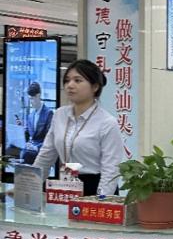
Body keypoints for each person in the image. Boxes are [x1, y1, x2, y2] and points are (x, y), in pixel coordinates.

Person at [34, 60, 123, 196]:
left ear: (95, 87)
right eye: (67, 80)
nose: (70, 85)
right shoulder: (59, 115)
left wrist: (101, 200)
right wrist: (29, 186)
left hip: (95, 188)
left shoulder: (107, 123)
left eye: (77, 80)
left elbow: (111, 169)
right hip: (67, 185)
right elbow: (46, 155)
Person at [22, 81, 53, 164]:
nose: (30, 102)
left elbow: (49, 138)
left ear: (38, 96)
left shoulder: (48, 113)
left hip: (41, 150)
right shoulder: (30, 115)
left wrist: (36, 147)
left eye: (32, 99)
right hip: (30, 149)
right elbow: (27, 133)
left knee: (26, 155)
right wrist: (21, 130)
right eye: (29, 99)